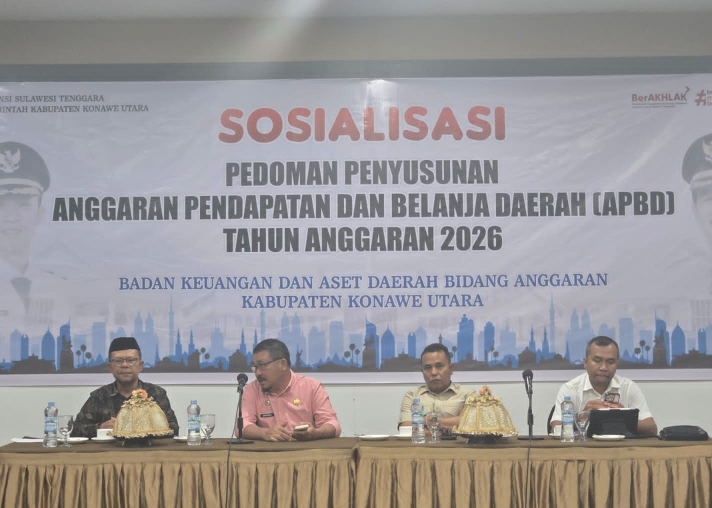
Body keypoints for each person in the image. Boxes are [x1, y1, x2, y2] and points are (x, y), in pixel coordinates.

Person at [72, 336, 179, 437]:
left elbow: (173, 428)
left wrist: (141, 427)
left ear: (140, 365)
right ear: (110, 367)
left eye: (130, 360)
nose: (124, 365)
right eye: (118, 361)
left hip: (146, 449)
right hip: (109, 450)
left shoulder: (156, 394)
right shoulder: (99, 396)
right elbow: (75, 431)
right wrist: (100, 428)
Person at [550, 336, 657, 435]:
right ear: (585, 362)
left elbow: (652, 428)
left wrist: (624, 417)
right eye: (597, 361)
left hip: (620, 448)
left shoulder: (628, 387)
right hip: (582, 448)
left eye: (610, 362)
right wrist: (582, 417)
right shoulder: (570, 389)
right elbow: (556, 427)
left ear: (617, 364)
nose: (603, 368)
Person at [240, 338, 341, 442]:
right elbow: (242, 426)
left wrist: (316, 433)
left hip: (305, 450)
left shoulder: (312, 387)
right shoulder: (252, 390)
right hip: (268, 451)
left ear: (283, 364)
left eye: (263, 365)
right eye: (255, 367)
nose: (257, 373)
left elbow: (333, 424)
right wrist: (264, 433)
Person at [0, 141, 51, 330]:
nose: (11, 217)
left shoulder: (62, 289)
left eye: (23, 204)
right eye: (0, 205)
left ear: (40, 214)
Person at [398, 343, 471, 432]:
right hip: (423, 443)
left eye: (439, 366)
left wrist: (426, 420)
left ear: (451, 368)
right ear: (422, 371)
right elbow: (405, 427)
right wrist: (449, 429)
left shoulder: (467, 395)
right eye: (428, 367)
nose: (433, 373)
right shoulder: (412, 396)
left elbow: (470, 424)